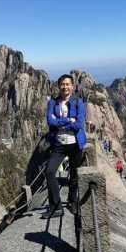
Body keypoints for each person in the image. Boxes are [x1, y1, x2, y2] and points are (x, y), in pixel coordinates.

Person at [42, 74, 86, 219]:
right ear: (59, 86)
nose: (65, 87)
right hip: (59, 144)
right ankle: (56, 206)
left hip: (75, 144)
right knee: (49, 172)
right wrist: (68, 120)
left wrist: (59, 121)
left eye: (68, 84)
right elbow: (50, 121)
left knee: (74, 174)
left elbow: (79, 124)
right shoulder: (53, 103)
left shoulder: (78, 102)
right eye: (62, 84)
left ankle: (73, 202)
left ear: (72, 87)